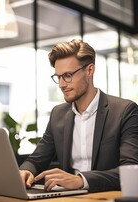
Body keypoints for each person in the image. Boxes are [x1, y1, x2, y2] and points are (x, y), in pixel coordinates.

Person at [19, 39, 138, 193]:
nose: (61, 84)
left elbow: (131, 171)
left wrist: (81, 180)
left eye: (68, 75)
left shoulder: (125, 111)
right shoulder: (58, 114)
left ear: (89, 71)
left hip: (106, 200)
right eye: (58, 77)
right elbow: (36, 160)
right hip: (67, 200)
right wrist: (26, 171)